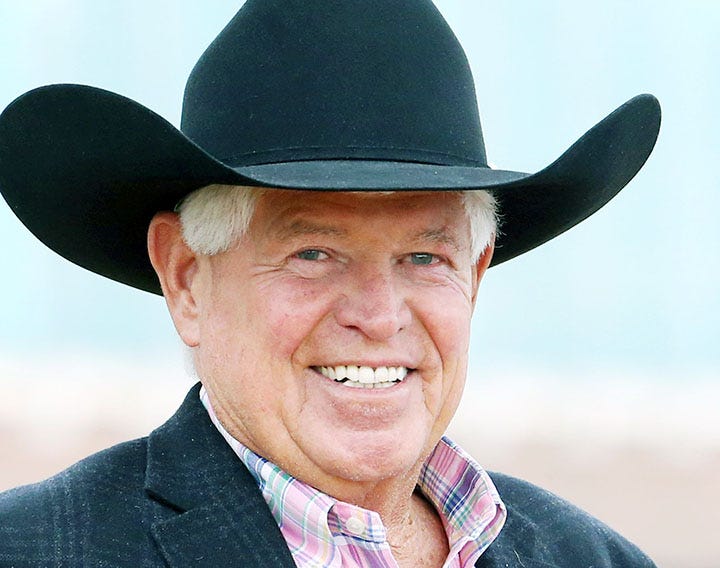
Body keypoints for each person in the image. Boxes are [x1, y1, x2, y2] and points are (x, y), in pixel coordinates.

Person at [0, 1, 661, 566]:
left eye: (424, 258)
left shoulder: (594, 558)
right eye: (314, 253)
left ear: (475, 275)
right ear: (187, 277)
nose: (379, 316)